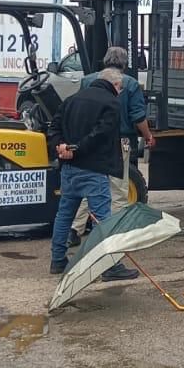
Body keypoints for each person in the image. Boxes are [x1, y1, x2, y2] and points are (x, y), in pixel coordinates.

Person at [49, 67, 137, 280]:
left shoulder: (71, 99)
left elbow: (54, 126)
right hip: (94, 169)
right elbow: (101, 134)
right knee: (102, 219)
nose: (120, 91)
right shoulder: (111, 103)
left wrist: (61, 146)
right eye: (120, 88)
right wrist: (77, 148)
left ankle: (58, 260)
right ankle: (108, 267)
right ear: (115, 85)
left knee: (65, 215)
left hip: (69, 169)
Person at [71, 46, 155, 242]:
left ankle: (75, 229)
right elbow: (138, 117)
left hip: (93, 140)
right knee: (118, 188)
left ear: (105, 60)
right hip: (120, 141)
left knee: (91, 185)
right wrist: (148, 136)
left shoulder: (88, 80)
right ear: (125, 64)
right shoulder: (130, 84)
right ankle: (112, 232)